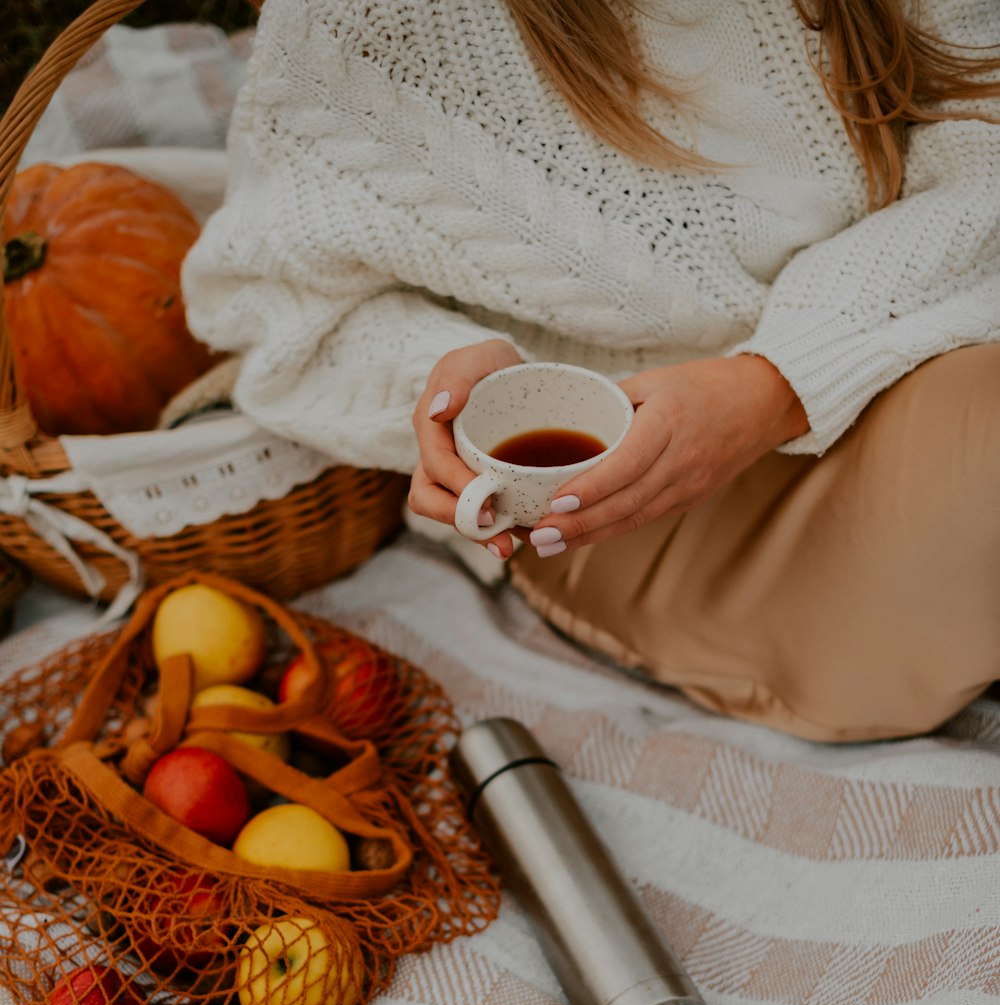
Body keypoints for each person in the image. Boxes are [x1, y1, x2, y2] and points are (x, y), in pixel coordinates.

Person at [183, 0, 1000, 743]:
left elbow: (984, 142)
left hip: (912, 340)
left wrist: (774, 383)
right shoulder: (373, 19)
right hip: (621, 499)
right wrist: (452, 382)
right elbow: (276, 304)